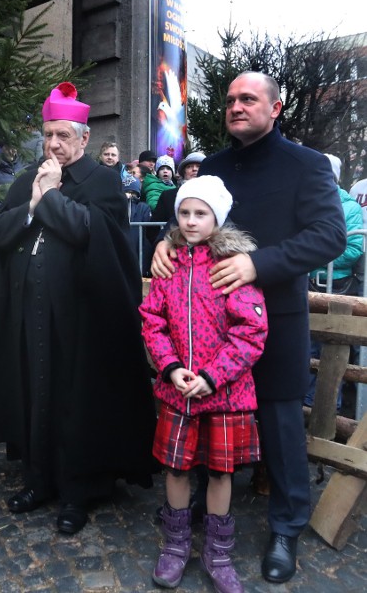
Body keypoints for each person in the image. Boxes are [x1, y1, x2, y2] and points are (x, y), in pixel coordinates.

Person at [151, 72, 347, 583]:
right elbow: (177, 215)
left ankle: (286, 526)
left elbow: (330, 235)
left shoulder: (305, 164)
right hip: (208, 329)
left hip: (276, 316)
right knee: (207, 419)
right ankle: (200, 510)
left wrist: (258, 264)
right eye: (231, 99)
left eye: (248, 98)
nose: (236, 106)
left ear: (275, 107)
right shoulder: (212, 166)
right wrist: (165, 243)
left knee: (282, 425)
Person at [0, 82, 156, 535]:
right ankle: (38, 479)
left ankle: (78, 491)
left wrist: (50, 198)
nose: (53, 144)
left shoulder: (105, 181)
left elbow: (92, 234)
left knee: (77, 401)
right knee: (35, 395)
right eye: (48, 134)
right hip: (29, 314)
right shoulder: (29, 178)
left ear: (84, 138)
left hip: (82, 319)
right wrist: (33, 204)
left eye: (63, 136)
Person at [141, 175, 268, 592]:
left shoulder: (232, 266)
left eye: (201, 213)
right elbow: (153, 321)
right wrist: (171, 367)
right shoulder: (168, 263)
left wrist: (214, 376)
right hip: (178, 390)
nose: (191, 221)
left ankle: (218, 551)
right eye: (184, 212)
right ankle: (176, 545)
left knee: (220, 472)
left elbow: (251, 331)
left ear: (218, 217)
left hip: (226, 394)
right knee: (176, 468)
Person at [304, 153, 364, 409]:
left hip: (337, 286)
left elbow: (354, 248)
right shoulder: (304, 201)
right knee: (305, 346)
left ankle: (330, 406)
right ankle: (305, 403)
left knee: (332, 347)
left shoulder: (348, 207)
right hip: (306, 283)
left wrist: (313, 255)